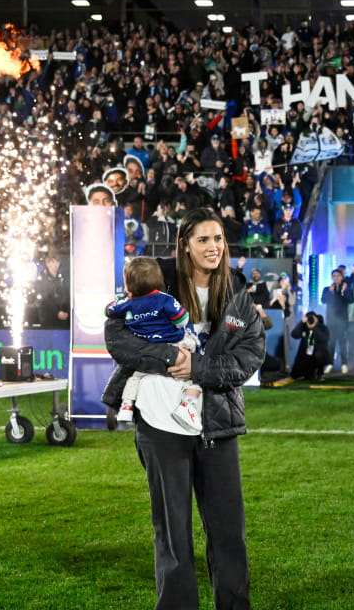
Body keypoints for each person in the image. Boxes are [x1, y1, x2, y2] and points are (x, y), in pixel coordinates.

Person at [101, 208, 265, 610]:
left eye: (218, 239)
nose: (213, 247)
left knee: (229, 533)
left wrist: (200, 368)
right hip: (160, 426)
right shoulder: (154, 280)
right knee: (173, 535)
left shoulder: (236, 293)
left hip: (217, 425)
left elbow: (250, 355)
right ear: (185, 245)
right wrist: (167, 357)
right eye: (203, 240)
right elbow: (115, 335)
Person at [105, 256, 203, 431]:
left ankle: (126, 406)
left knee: (135, 376)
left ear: (128, 285)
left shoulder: (127, 303)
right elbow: (182, 319)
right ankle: (187, 406)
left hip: (146, 344)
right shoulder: (164, 299)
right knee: (197, 366)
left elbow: (109, 310)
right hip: (174, 342)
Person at [321, 268, 352, 373]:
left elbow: (351, 300)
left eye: (338, 276)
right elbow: (323, 300)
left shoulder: (346, 288)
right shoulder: (327, 289)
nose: (336, 278)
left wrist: (344, 291)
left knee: (343, 343)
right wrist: (330, 292)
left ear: (342, 277)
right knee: (330, 343)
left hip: (342, 320)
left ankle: (344, 364)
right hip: (331, 320)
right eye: (334, 276)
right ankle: (330, 364)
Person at [290, 311, 329, 380]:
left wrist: (314, 327)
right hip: (306, 355)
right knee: (295, 376)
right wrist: (301, 322)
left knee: (320, 354)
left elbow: (324, 338)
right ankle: (307, 372)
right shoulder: (303, 326)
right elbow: (294, 335)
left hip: (317, 354)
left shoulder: (322, 327)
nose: (311, 320)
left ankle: (320, 373)